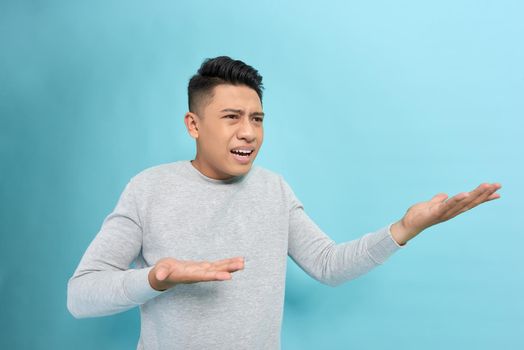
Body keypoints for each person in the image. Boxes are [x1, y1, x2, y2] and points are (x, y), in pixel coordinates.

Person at [67, 56, 501, 349]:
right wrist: (156, 279)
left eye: (256, 119)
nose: (249, 133)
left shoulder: (274, 189)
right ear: (193, 125)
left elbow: (329, 265)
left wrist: (405, 229)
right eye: (231, 117)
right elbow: (81, 295)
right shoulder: (149, 189)